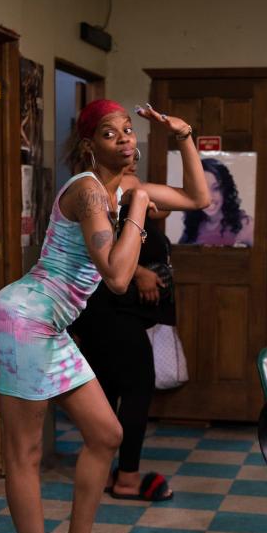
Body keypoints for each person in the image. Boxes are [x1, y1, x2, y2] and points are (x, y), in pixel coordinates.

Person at [0, 99, 208, 533]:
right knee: (25, 455)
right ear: (91, 145)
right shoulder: (87, 191)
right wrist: (136, 209)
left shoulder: (125, 188)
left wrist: (184, 135)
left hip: (49, 324)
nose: (127, 141)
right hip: (21, 320)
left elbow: (198, 197)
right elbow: (117, 275)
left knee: (107, 435)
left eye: (130, 132)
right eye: (112, 134)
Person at [70, 154, 185, 503]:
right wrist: (140, 273)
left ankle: (106, 473)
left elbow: (171, 207)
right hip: (112, 312)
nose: (132, 158)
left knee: (107, 391)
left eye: (135, 157)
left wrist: (142, 199)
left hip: (112, 313)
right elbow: (97, 250)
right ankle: (128, 478)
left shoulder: (127, 197)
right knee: (136, 389)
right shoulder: (96, 198)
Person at [179, 157, 254, 246]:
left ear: (225, 190)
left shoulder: (245, 225)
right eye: (202, 190)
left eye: (216, 188)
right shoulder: (193, 227)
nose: (209, 197)